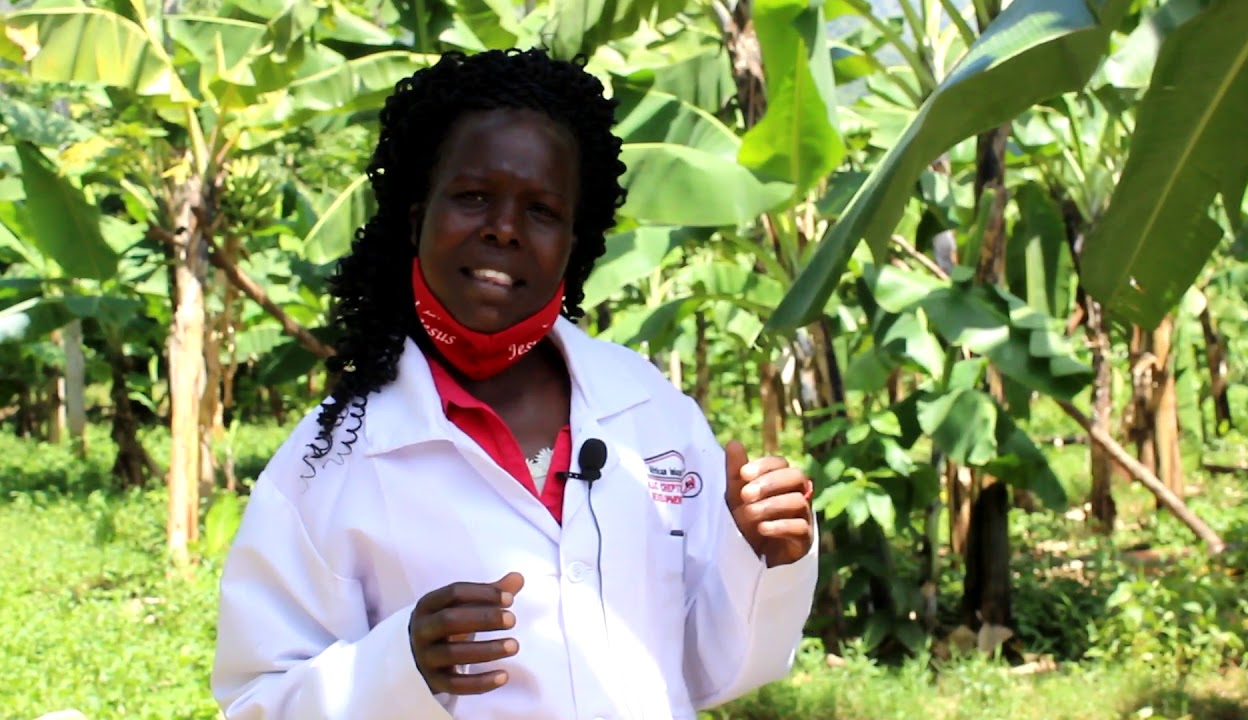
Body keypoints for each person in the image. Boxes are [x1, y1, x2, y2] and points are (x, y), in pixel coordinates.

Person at [211, 48, 819, 720]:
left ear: (574, 240)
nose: (502, 229)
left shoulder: (649, 412)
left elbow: (705, 671)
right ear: (417, 215)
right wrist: (396, 666)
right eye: (473, 197)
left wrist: (759, 559)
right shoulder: (333, 458)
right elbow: (254, 702)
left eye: (541, 210)